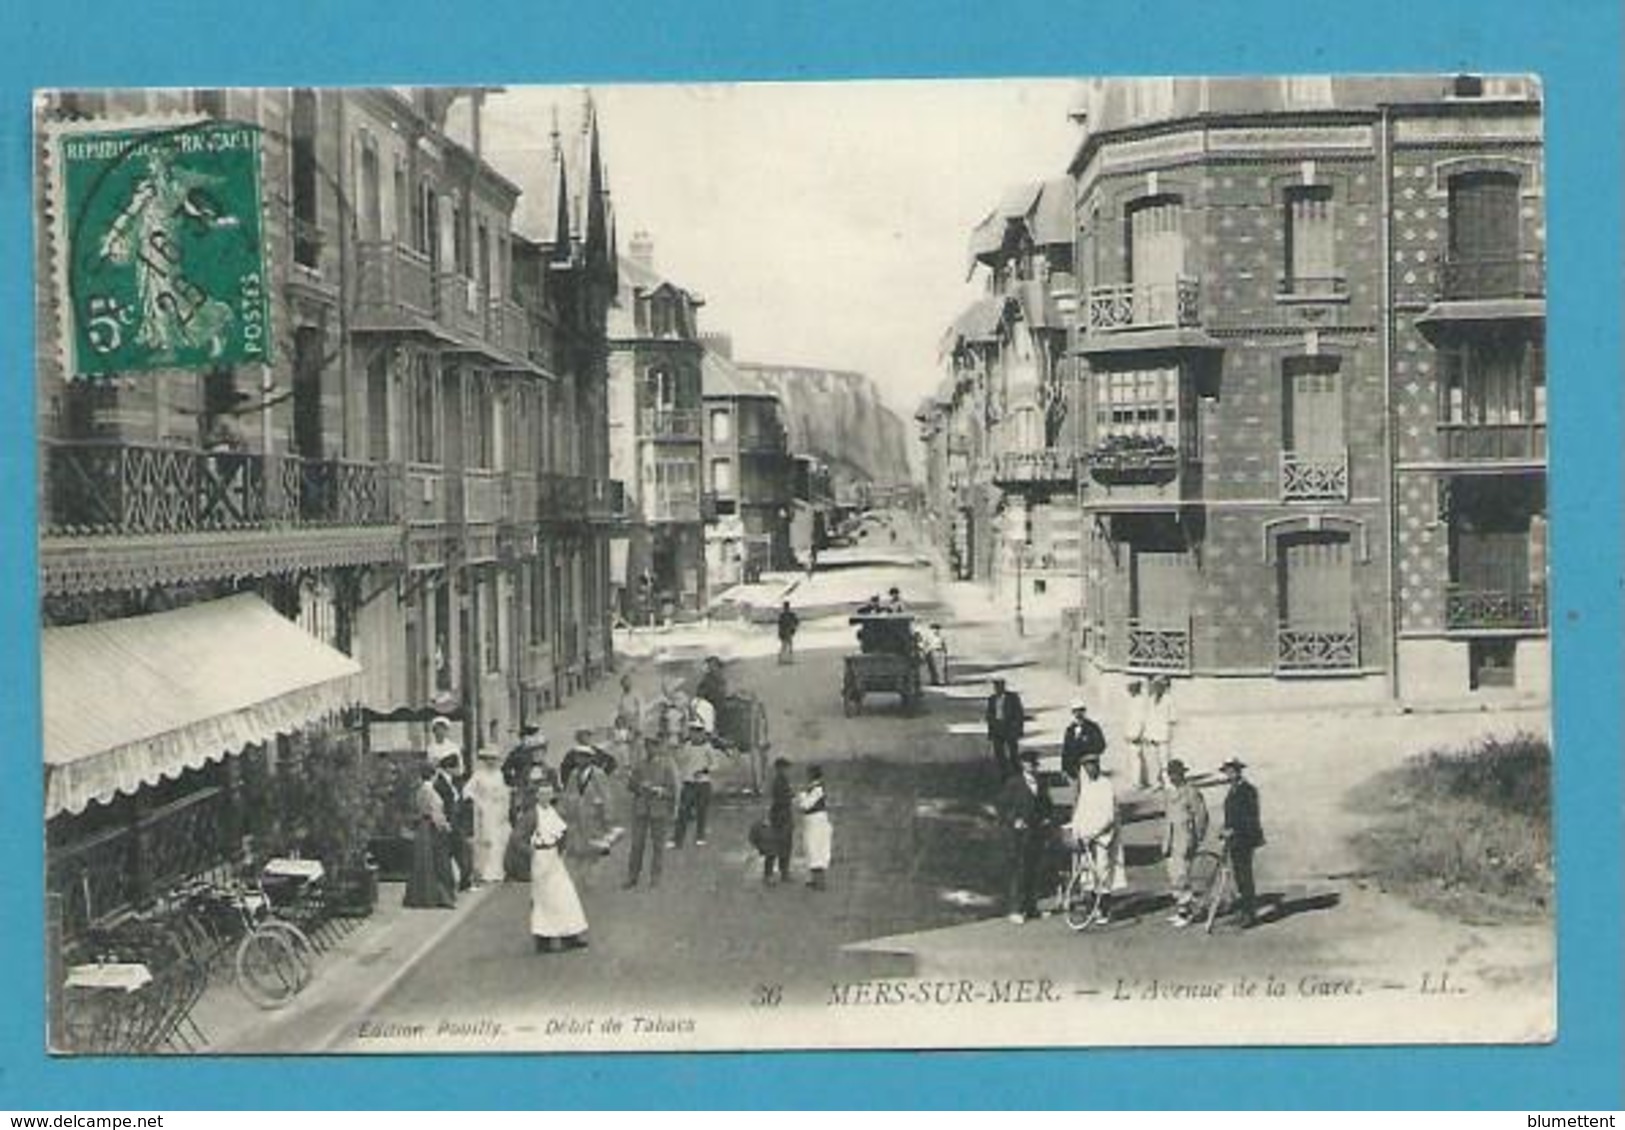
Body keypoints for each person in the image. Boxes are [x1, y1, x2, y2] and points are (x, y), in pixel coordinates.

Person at [528, 769, 590, 953]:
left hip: (554, 858)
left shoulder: (552, 812)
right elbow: (517, 839)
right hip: (540, 859)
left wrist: (562, 849)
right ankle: (543, 940)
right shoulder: (532, 815)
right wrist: (530, 851)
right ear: (536, 796)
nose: (546, 797)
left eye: (549, 793)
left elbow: (562, 832)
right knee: (543, 899)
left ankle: (569, 935)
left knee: (565, 896)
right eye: (542, 794)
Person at [1069, 751, 1127, 924]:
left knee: (1103, 873)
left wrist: (1094, 834)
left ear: (1098, 766)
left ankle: (1104, 910)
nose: (1089, 769)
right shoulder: (1086, 787)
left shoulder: (1106, 785)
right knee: (1088, 875)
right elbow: (1079, 813)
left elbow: (1109, 816)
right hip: (1086, 840)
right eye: (1086, 767)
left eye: (1092, 765)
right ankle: (1092, 907)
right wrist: (1076, 832)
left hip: (1102, 839)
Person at [995, 748, 1051, 923]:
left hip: (1036, 832)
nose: (1032, 767)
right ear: (1022, 765)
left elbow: (1047, 804)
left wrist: (1047, 818)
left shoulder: (1041, 783)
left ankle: (1032, 908)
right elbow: (1001, 806)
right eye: (1028, 764)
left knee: (1034, 870)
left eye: (1034, 764)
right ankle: (1017, 910)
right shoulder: (1014, 783)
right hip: (1019, 835)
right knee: (1020, 871)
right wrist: (1014, 820)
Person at [624, 737, 679, 889]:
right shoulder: (640, 765)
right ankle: (632, 877)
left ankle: (655, 878)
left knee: (658, 846)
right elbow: (630, 786)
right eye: (647, 746)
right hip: (641, 809)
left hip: (659, 810)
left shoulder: (667, 766)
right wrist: (640, 786)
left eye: (654, 746)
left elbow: (673, 790)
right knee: (637, 845)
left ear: (659, 747)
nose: (650, 749)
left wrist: (659, 791)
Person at [559, 738, 613, 890]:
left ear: (590, 759)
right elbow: (567, 794)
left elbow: (606, 795)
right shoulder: (573, 775)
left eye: (584, 757)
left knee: (593, 848)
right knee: (577, 848)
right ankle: (579, 877)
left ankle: (591, 877)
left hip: (593, 817)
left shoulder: (598, 774)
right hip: (576, 817)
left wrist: (607, 815)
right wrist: (565, 809)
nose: (580, 760)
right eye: (578, 757)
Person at [1162, 758, 1210, 927]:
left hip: (1185, 839)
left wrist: (1196, 838)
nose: (1173, 777)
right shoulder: (1169, 793)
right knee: (1173, 875)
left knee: (1183, 875)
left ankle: (1188, 913)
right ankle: (1181, 910)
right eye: (1170, 774)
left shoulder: (1191, 792)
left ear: (1183, 774)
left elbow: (1202, 817)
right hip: (1171, 840)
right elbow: (1168, 818)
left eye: (1176, 774)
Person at [1220, 758, 1265, 928]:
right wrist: (1225, 829)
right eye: (1227, 771)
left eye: (1232, 771)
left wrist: (1234, 830)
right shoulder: (1232, 790)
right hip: (1235, 839)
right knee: (1239, 875)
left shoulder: (1248, 790)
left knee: (1245, 876)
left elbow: (1250, 816)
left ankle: (1249, 914)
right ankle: (1243, 911)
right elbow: (1230, 815)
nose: (1229, 774)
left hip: (1245, 838)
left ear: (1239, 771)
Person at [403, 764, 457, 908]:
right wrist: (445, 825)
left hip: (423, 827)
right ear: (432, 775)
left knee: (423, 862)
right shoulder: (430, 790)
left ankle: (421, 895)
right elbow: (435, 812)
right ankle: (435, 896)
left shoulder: (420, 790)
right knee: (436, 862)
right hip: (431, 827)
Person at [466, 743, 511, 885]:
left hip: (498, 809)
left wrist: (505, 809)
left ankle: (498, 871)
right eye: (488, 758)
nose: (491, 761)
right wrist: (478, 802)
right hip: (485, 810)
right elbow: (467, 791)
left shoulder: (500, 774)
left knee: (499, 839)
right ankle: (486, 871)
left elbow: (505, 793)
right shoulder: (478, 775)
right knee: (487, 839)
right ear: (484, 759)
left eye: (494, 758)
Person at [670, 722, 716, 848]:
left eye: (698, 733)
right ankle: (677, 839)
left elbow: (715, 764)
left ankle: (700, 836)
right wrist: (678, 751)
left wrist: (704, 770)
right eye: (693, 733)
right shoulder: (687, 746)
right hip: (689, 782)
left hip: (703, 783)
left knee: (702, 811)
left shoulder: (707, 748)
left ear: (702, 734)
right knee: (683, 811)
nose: (695, 736)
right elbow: (680, 760)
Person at [433, 753, 474, 892]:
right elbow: (440, 804)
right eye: (457, 767)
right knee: (452, 853)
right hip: (448, 822)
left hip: (457, 822)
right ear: (449, 768)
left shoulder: (456, 782)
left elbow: (460, 799)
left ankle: (465, 882)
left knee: (463, 851)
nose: (459, 770)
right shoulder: (439, 784)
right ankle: (451, 884)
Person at [798, 765, 832, 890]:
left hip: (817, 821)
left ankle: (820, 883)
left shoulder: (818, 788)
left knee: (816, 850)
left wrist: (801, 796)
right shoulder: (813, 787)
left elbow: (805, 805)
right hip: (812, 821)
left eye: (809, 773)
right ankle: (814, 879)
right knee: (811, 849)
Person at [984, 677, 1026, 779]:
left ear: (1003, 687)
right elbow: (989, 716)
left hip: (1009, 728)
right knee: (999, 753)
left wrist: (1019, 729)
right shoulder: (992, 699)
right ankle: (1004, 773)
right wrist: (990, 732)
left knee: (1013, 752)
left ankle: (1017, 772)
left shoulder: (1013, 698)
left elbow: (1019, 714)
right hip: (997, 729)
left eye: (999, 686)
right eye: (996, 687)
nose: (997, 689)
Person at [762, 756, 794, 886]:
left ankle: (782, 873)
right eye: (785, 768)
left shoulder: (782, 780)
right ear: (779, 768)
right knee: (776, 846)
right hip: (780, 815)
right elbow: (781, 799)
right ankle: (771, 875)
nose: (787, 770)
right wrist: (790, 796)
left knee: (784, 846)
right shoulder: (779, 781)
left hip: (783, 814)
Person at [1143, 676, 1178, 788]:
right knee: (1153, 760)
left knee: (1165, 760)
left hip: (1163, 735)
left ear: (1163, 687)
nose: (1157, 688)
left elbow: (1173, 718)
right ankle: (1156, 782)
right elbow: (1148, 717)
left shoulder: (1169, 699)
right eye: (1155, 686)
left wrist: (1168, 730)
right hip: (1152, 734)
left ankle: (1168, 782)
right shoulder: (1151, 699)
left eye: (1159, 686)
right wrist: (1146, 734)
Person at [1061, 702, 1107, 782]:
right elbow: (1065, 750)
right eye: (1075, 711)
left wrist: (1086, 754)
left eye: (1081, 710)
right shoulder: (1070, 730)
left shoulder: (1093, 727)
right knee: (1077, 792)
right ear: (1072, 713)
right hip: (1074, 769)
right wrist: (1064, 769)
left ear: (1084, 711)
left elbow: (1101, 745)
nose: (1078, 713)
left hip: (1090, 767)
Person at [502, 725, 548, 794]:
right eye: (528, 737)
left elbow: (542, 766)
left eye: (534, 737)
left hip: (537, 785)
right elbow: (506, 769)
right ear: (523, 738)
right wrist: (513, 782)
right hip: (521, 786)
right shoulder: (516, 753)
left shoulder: (537, 750)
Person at [1123, 680, 1151, 789]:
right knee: (1133, 757)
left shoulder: (1141, 702)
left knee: (1136, 758)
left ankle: (1137, 782)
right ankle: (1139, 780)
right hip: (1130, 732)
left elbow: (1141, 720)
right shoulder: (1132, 700)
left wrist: (1138, 734)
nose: (1130, 691)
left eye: (1131, 689)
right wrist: (1126, 732)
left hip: (1137, 733)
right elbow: (1129, 718)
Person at [613, 674, 644, 758]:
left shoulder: (636, 694)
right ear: (622, 686)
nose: (626, 686)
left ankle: (638, 764)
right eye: (624, 684)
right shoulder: (621, 696)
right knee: (625, 746)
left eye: (627, 683)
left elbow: (641, 711)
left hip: (635, 722)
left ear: (631, 683)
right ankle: (629, 765)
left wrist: (639, 726)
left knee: (637, 745)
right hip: (625, 723)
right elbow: (619, 710)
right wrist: (618, 726)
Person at [776, 601, 800, 665]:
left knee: (786, 645)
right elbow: (797, 622)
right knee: (787, 645)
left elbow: (779, 625)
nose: (785, 608)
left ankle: (783, 659)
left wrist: (793, 629)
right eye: (786, 607)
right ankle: (786, 659)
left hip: (786, 632)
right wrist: (794, 628)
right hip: (787, 632)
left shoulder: (783, 615)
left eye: (785, 607)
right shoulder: (789, 614)